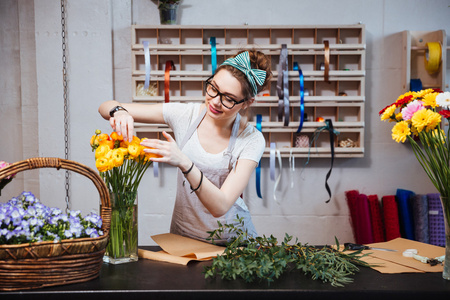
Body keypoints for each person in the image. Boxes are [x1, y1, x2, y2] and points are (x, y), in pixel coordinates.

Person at [98, 50, 272, 244]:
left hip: (232, 244)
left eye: (228, 99)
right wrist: (119, 111)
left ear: (247, 103)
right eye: (213, 87)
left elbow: (220, 206)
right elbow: (105, 107)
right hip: (183, 238)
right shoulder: (185, 115)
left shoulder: (251, 139)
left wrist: (184, 162)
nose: (214, 101)